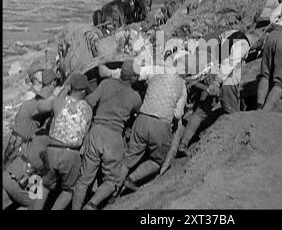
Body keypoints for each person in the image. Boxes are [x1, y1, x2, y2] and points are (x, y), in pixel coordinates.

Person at [72, 60, 142, 210]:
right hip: (114, 138)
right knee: (112, 180)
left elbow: (90, 101)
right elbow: (139, 113)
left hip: (96, 132)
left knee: (83, 180)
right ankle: (92, 204)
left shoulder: (106, 84)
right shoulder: (135, 96)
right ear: (133, 79)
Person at [177, 29, 259, 156]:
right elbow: (230, 63)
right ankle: (231, 139)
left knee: (200, 110)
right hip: (218, 71)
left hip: (206, 62)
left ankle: (183, 143)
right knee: (218, 111)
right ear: (255, 42)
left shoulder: (233, 33)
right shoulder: (244, 44)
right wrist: (217, 81)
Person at [118, 55, 189, 193]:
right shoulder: (182, 87)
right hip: (160, 125)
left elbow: (141, 75)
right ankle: (132, 178)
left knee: (129, 158)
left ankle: (114, 188)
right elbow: (177, 114)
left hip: (142, 119)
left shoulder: (157, 72)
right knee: (158, 161)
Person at [31, 73, 92, 210]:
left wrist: (54, 96)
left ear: (70, 88)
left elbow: (39, 107)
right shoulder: (88, 110)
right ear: (84, 90)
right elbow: (85, 133)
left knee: (44, 185)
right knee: (69, 190)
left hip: (52, 150)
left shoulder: (59, 101)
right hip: (72, 154)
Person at [2, 77, 56, 210]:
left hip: (10, 170)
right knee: (37, 200)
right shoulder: (48, 139)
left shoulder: (35, 131)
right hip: (26, 173)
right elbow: (48, 177)